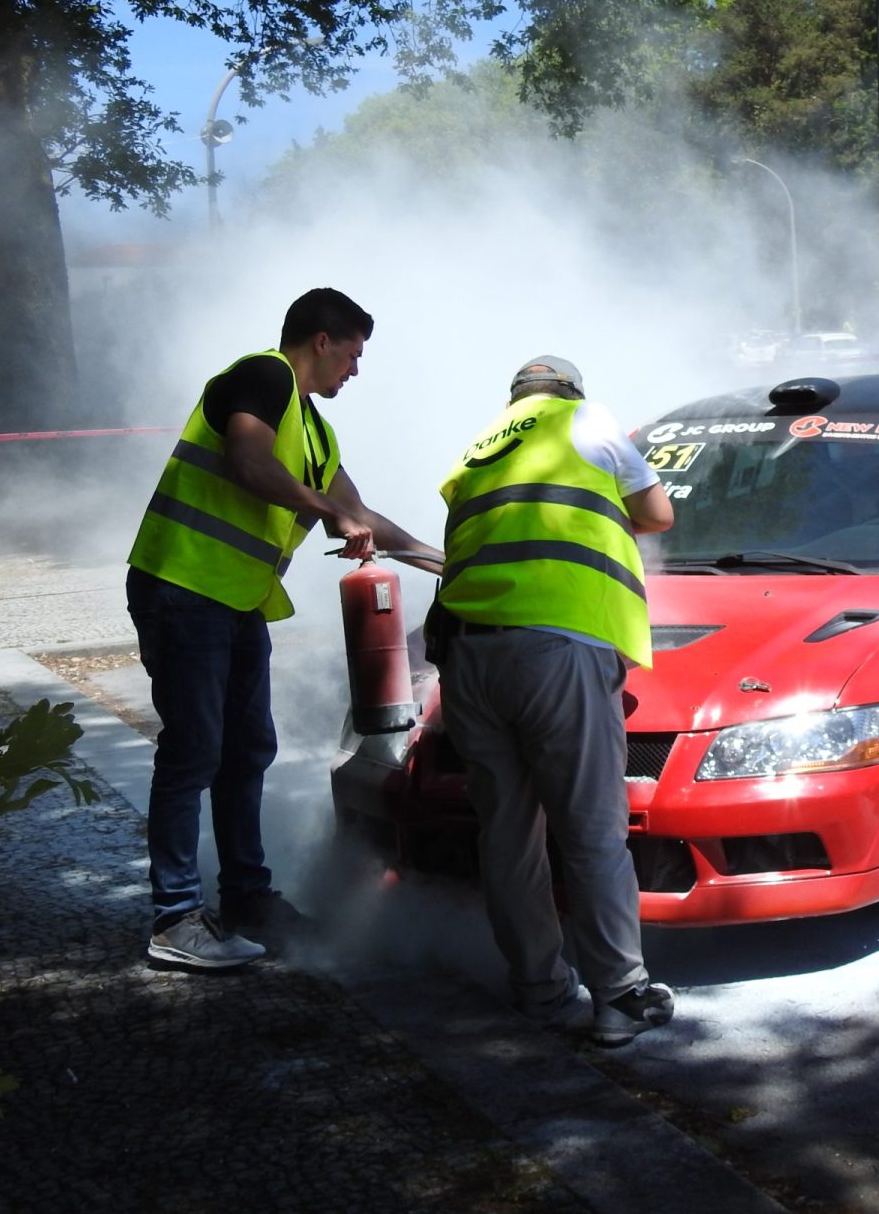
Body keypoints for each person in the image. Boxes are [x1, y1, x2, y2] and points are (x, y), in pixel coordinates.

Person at [127, 288, 441, 971]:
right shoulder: (263, 374)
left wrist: (444, 561)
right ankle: (175, 917)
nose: (355, 371)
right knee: (194, 751)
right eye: (354, 354)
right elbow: (249, 461)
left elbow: (358, 513)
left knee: (246, 750)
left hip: (232, 602)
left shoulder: (317, 432)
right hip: (182, 588)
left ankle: (246, 899)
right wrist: (330, 507)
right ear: (323, 340)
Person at [434, 356, 677, 1045]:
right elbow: (657, 513)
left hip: (471, 660)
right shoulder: (586, 420)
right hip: (556, 650)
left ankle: (539, 991)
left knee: (508, 836)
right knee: (593, 830)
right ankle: (620, 996)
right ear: (570, 391)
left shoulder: (478, 448)